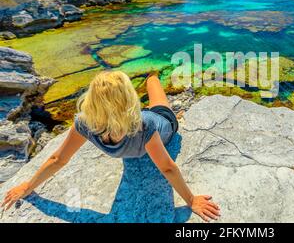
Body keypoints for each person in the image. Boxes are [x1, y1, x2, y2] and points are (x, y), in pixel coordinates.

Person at [1, 71, 220, 222]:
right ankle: (150, 78)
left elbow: (168, 168)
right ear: (129, 100)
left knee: (158, 98)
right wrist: (28, 187)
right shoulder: (83, 123)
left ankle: (151, 76)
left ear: (91, 100)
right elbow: (57, 160)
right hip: (136, 117)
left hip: (165, 122)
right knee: (153, 97)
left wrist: (192, 200)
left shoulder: (142, 125)